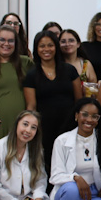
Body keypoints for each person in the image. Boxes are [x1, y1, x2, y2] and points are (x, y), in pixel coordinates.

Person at [24, 31, 83, 164]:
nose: (46, 49)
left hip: (69, 126)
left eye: (50, 45)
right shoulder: (31, 75)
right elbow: (31, 106)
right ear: (36, 49)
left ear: (56, 47)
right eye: (42, 46)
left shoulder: (70, 70)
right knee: (48, 163)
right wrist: (30, 128)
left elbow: (79, 101)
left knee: (71, 162)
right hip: (44, 129)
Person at [59, 29, 98, 94]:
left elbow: (94, 88)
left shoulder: (86, 64)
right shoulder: (56, 64)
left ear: (78, 44)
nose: (67, 44)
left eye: (71, 41)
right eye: (63, 41)